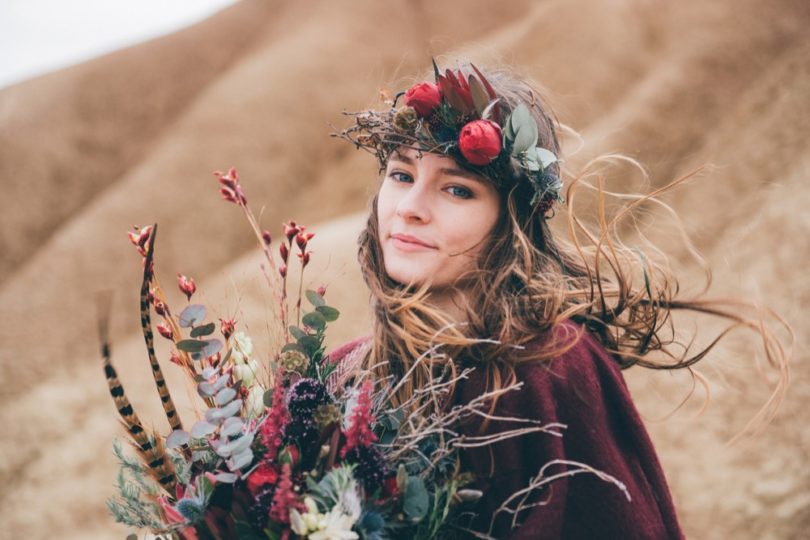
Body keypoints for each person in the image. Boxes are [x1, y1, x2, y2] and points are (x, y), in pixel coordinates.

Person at [330, 60, 790, 539]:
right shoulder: (338, 377)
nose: (409, 209)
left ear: (511, 221)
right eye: (401, 175)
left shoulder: (551, 365)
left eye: (457, 189)